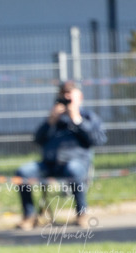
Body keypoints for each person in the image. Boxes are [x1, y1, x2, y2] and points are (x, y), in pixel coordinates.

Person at [14, 81, 106, 230]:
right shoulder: (55, 119)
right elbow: (37, 140)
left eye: (70, 96)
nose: (66, 99)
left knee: (74, 170)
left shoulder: (88, 117)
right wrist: (50, 121)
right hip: (49, 164)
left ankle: (82, 213)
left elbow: (97, 140)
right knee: (22, 173)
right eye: (63, 96)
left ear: (80, 97)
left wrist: (76, 119)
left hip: (76, 163)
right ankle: (29, 216)